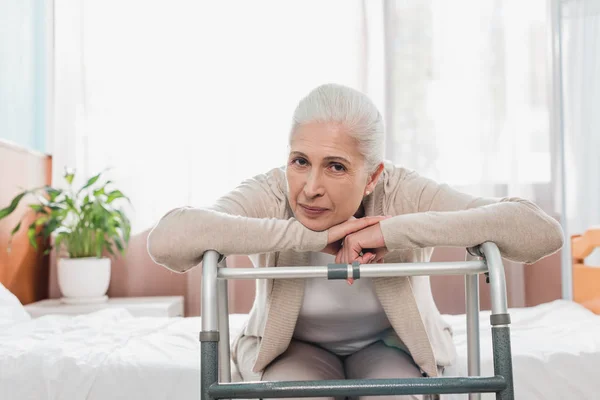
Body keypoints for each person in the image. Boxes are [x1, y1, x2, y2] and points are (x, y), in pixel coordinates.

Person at [147, 83, 563, 400]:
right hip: (293, 349)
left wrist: (389, 231)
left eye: (336, 167)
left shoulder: (400, 190)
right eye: (300, 161)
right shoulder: (274, 191)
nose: (310, 188)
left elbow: (537, 230)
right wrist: (311, 235)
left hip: (389, 345)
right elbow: (169, 239)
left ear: (373, 177)